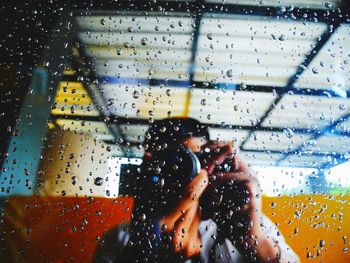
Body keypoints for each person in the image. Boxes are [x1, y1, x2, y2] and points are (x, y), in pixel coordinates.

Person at [94, 117, 300, 263]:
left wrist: (253, 241)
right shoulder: (122, 239)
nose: (185, 171)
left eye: (195, 160)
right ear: (149, 165)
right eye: (172, 161)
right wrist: (148, 242)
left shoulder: (247, 223)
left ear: (210, 164)